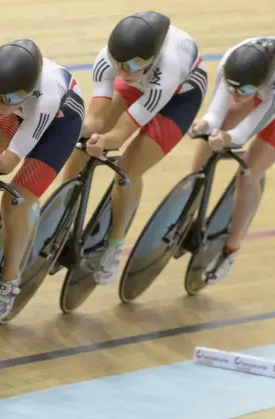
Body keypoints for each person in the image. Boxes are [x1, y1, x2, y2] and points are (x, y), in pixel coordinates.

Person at [59, 11, 207, 285]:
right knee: (82, 143)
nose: (124, 71)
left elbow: (121, 133)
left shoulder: (169, 67)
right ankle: (61, 213)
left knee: (127, 170)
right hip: (141, 86)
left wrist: (104, 142)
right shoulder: (108, 60)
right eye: (120, 65)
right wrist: (73, 132)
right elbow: (95, 120)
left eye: (133, 65)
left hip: (178, 98)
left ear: (151, 58)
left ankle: (115, 244)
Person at [187, 36, 275, 284]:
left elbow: (243, 133)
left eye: (244, 92)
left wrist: (227, 138)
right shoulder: (230, 63)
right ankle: (189, 205)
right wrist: (204, 125)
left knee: (249, 170)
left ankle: (231, 249)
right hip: (258, 84)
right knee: (212, 132)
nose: (236, 96)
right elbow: (215, 114)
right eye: (232, 88)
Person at [0, 39, 85, 324]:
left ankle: (9, 282)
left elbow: (9, 162)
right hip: (21, 111)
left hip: (61, 121)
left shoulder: (45, 98)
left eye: (4, 99)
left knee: (16, 201)